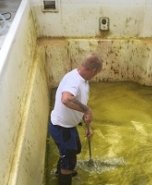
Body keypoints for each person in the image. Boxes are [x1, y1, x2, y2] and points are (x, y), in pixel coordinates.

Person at [49, 53, 103, 185]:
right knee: (69, 162)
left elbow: (78, 102)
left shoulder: (82, 79)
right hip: (62, 128)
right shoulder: (75, 80)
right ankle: (64, 174)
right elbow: (66, 99)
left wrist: (87, 126)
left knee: (75, 150)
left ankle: (61, 170)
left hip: (69, 126)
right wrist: (87, 110)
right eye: (96, 74)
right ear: (93, 71)